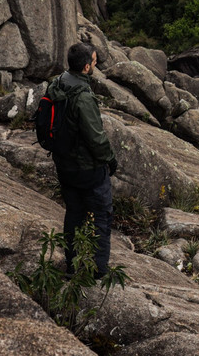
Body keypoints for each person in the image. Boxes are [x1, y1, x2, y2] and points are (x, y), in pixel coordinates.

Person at [47, 41, 118, 276]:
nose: (96, 65)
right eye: (95, 62)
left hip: (64, 165)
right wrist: (110, 160)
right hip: (88, 170)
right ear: (87, 67)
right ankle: (97, 270)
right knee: (101, 216)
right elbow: (95, 138)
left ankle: (72, 264)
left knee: (74, 214)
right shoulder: (83, 96)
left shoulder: (57, 84)